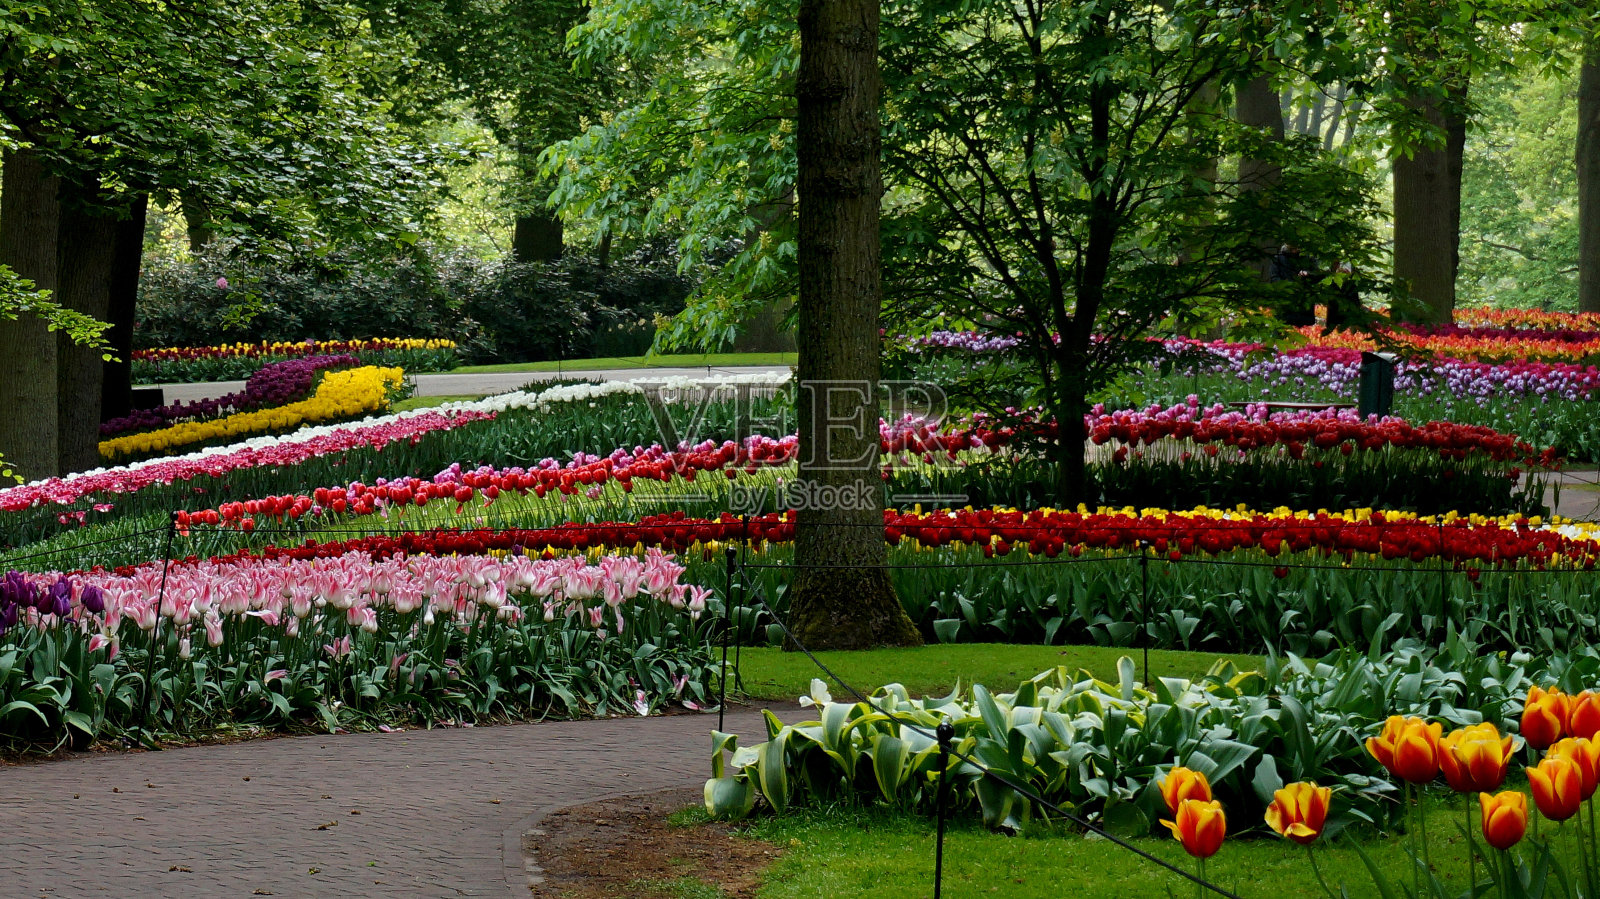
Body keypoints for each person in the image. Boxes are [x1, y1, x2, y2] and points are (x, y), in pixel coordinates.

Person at [1268, 244, 1316, 327]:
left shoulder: (1308, 258)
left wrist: (1308, 274)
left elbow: (1317, 275)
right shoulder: (1278, 259)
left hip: (1303, 306)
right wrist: (1289, 287)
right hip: (1285, 303)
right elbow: (1274, 279)